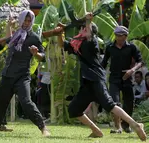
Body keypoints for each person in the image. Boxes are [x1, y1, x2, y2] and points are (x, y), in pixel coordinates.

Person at [55, 13, 146, 141]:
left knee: (110, 105)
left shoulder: (92, 43)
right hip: (87, 82)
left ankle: (136, 125)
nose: (81, 29)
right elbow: (62, 45)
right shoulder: (78, 44)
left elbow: (89, 34)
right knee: (73, 109)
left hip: (96, 79)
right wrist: (59, 34)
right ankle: (96, 131)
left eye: (84, 28)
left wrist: (88, 20)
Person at [0, 10, 50, 136]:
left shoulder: (34, 37)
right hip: (7, 74)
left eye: (29, 21)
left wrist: (36, 53)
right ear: (21, 20)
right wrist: (9, 26)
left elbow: (43, 57)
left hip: (22, 76)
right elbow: (8, 41)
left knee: (26, 102)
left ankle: (43, 128)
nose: (27, 23)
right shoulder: (16, 34)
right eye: (25, 20)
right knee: (0, 100)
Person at [101, 25, 143, 133]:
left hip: (127, 77)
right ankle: (117, 127)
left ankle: (126, 125)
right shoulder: (110, 47)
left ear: (125, 36)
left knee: (129, 102)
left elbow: (140, 61)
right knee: (114, 102)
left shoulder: (132, 47)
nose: (118, 38)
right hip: (114, 78)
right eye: (116, 35)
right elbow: (104, 63)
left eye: (120, 36)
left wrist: (132, 70)